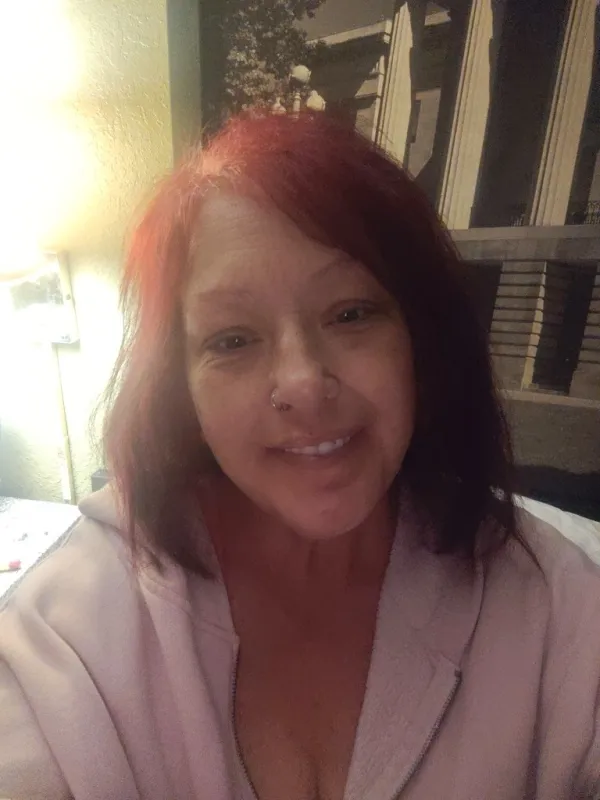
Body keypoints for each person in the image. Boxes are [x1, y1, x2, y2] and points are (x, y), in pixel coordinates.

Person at [1, 111, 599, 800]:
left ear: (420, 339)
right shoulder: (66, 637)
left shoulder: (558, 604)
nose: (305, 384)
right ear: (179, 387)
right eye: (233, 340)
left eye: (350, 313)